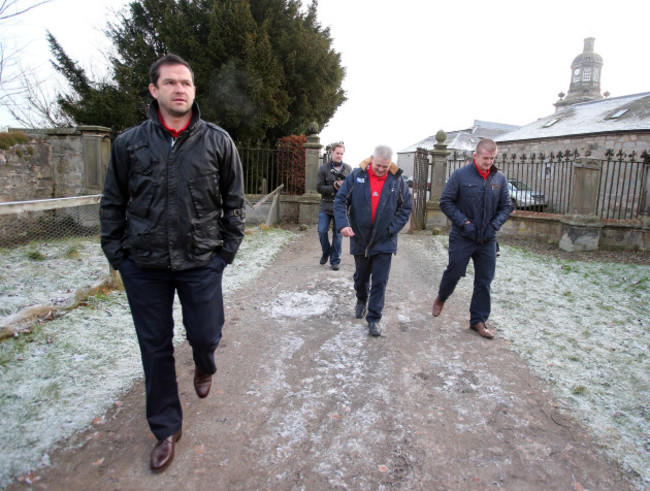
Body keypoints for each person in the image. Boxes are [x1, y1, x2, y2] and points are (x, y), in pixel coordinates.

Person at [99, 54, 245, 472]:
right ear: (154, 90)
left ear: (193, 90)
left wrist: (224, 253)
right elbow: (112, 202)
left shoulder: (218, 141)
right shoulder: (130, 143)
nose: (180, 89)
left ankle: (204, 362)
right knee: (155, 347)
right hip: (144, 265)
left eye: (186, 82)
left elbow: (234, 203)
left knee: (204, 332)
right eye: (171, 82)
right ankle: (165, 428)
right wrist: (118, 255)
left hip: (201, 260)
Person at [432, 138, 511, 339]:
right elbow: (446, 202)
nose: (489, 162)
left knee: (484, 280)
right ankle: (442, 297)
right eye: (485, 158)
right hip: (463, 235)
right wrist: (464, 223)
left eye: (492, 158)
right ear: (476, 155)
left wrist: (494, 225)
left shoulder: (498, 178)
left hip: (487, 238)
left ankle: (478, 320)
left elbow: (506, 206)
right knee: (455, 271)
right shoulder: (460, 175)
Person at [334, 145, 412, 336]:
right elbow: (340, 199)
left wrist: (393, 229)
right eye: (378, 165)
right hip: (360, 237)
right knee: (361, 278)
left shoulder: (396, 180)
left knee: (380, 281)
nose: (381, 169)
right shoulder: (357, 176)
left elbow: (406, 207)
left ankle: (374, 318)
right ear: (372, 159)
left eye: (385, 167)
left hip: (385, 240)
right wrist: (343, 224)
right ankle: (361, 298)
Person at [316, 143, 351, 270]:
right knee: (321, 231)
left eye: (341, 153)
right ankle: (326, 252)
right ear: (332, 152)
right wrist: (334, 187)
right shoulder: (323, 168)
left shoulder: (348, 169)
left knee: (338, 235)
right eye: (337, 153)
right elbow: (319, 188)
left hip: (341, 208)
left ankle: (335, 260)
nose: (339, 156)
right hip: (325, 206)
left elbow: (351, 188)